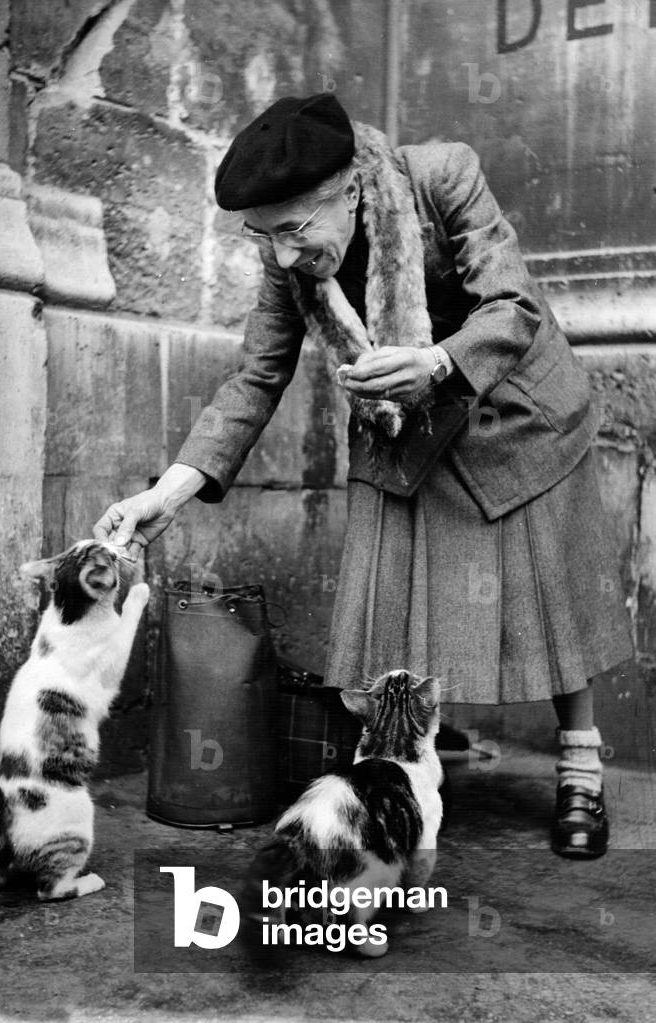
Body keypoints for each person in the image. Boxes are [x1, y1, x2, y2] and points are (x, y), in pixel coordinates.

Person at [94, 93, 633, 858]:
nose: (282, 254)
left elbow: (513, 305)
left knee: (550, 595)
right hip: (397, 426)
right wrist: (167, 494)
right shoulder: (289, 257)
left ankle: (579, 763)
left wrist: (439, 362)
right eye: (264, 235)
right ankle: (390, 770)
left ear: (348, 189)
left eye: (293, 230)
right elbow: (256, 375)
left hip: (507, 404)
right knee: (389, 603)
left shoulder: (440, 177)